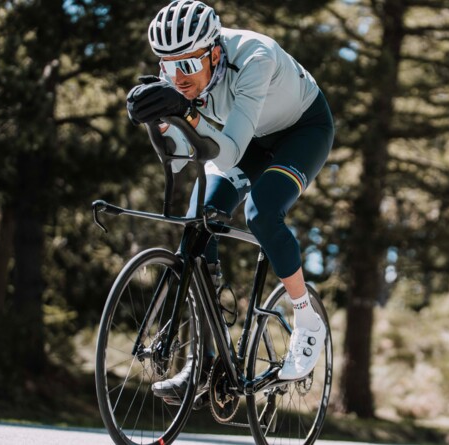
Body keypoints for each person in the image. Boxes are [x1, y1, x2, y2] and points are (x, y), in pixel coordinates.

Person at [126, 0, 334, 405]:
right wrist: (157, 121)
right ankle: (203, 362)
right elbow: (186, 155)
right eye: (168, 68)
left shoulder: (255, 56)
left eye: (187, 66)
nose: (178, 79)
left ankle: (307, 318)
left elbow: (230, 151)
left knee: (262, 210)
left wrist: (185, 112)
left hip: (300, 132)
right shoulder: (185, 79)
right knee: (196, 225)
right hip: (245, 137)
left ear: (215, 53)